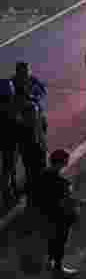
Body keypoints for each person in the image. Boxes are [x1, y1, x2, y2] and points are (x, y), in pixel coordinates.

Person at [34, 149, 79, 279]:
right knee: (60, 243)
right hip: (60, 218)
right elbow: (67, 201)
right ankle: (58, 269)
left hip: (46, 215)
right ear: (61, 162)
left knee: (51, 240)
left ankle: (51, 261)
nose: (67, 163)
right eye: (66, 161)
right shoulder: (62, 182)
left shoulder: (43, 175)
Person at [12, 62, 48, 203]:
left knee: (33, 158)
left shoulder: (32, 80)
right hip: (25, 127)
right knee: (30, 159)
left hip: (34, 122)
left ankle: (32, 184)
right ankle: (30, 186)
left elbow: (43, 91)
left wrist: (35, 96)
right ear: (19, 72)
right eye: (25, 72)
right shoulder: (13, 83)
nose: (28, 74)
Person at [0, 77, 18, 206]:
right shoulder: (12, 108)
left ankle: (9, 190)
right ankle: (7, 193)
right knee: (8, 168)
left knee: (8, 169)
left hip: (8, 142)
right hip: (9, 142)